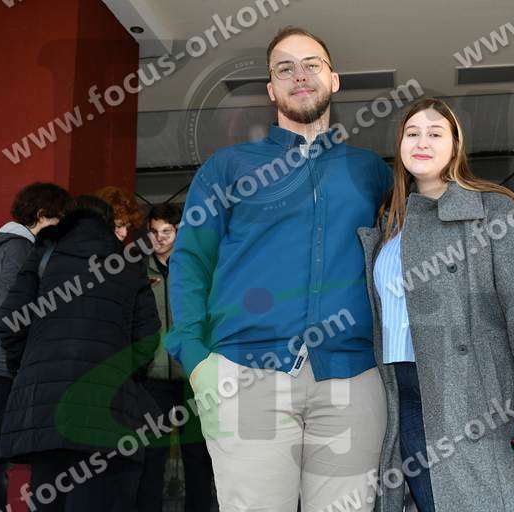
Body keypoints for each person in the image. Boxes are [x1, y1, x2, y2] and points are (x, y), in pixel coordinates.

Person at [166, 26, 392, 511]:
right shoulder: (227, 167)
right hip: (245, 376)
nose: (300, 75)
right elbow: (190, 262)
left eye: (312, 64)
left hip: (352, 377)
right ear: (271, 89)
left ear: (334, 79)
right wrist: (197, 360)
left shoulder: (372, 171)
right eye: (285, 69)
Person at [357, 98, 514, 511]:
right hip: (405, 392)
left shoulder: (494, 210)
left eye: (435, 133)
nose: (422, 142)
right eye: (412, 134)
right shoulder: (389, 223)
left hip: (479, 393)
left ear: (455, 145)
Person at [0, 195, 161, 511]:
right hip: (107, 403)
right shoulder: (129, 263)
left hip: (45, 404)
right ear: (108, 223)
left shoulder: (44, 256)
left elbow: (10, 322)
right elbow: (147, 336)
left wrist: (27, 368)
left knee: (48, 495)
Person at [0, 183, 71, 511]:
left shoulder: (1, 243)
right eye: (59, 218)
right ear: (42, 215)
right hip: (0, 366)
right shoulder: (20, 248)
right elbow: (11, 312)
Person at [136, 203, 216, 512]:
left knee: (197, 452)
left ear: (180, 232)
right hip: (153, 375)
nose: (159, 238)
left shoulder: (197, 268)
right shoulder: (138, 270)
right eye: (154, 231)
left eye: (167, 231)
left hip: (192, 375)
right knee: (152, 453)